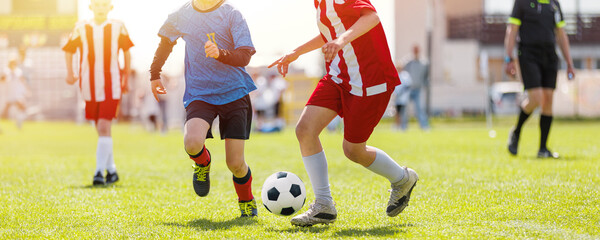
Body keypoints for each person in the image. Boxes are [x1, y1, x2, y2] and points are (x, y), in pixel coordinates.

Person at [269, 0, 419, 227]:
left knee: (353, 150)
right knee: (305, 130)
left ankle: (402, 179)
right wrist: (296, 52)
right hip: (339, 76)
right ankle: (324, 205)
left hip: (371, 79)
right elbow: (331, 32)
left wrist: (340, 41)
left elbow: (371, 17)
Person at [149, 0, 259, 217]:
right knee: (192, 143)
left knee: (235, 164)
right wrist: (154, 74)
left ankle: (246, 199)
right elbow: (165, 43)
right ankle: (202, 163)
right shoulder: (182, 14)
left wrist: (220, 53)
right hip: (200, 94)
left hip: (234, 93)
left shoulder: (232, 14)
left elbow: (245, 54)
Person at [62, 0, 134, 185]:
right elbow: (69, 50)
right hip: (89, 84)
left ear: (110, 7)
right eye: (97, 4)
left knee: (103, 126)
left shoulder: (118, 26)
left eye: (104, 4)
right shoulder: (81, 27)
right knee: (100, 128)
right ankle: (112, 170)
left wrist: (126, 75)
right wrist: (70, 72)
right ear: (91, 7)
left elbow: (126, 51)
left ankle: (98, 173)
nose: (100, 7)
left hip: (112, 84)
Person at [505, 0, 575, 159]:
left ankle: (543, 149)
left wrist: (570, 63)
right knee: (536, 98)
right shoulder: (522, 2)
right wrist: (508, 58)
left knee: (548, 100)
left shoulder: (554, 4)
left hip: (550, 55)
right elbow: (512, 29)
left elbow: (561, 34)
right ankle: (516, 131)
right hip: (528, 55)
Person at [402, 45, 430, 130]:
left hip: (418, 89)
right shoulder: (408, 62)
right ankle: (403, 127)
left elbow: (426, 76)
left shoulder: (424, 63)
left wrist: (425, 85)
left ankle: (424, 126)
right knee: (405, 109)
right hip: (408, 89)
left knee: (419, 109)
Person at [1, 59, 30, 130]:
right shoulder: (6, 71)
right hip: (8, 94)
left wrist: (27, 90)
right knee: (4, 113)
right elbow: (2, 79)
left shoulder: (18, 71)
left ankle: (19, 120)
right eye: (11, 63)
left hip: (17, 94)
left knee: (23, 107)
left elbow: (23, 81)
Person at [393, 65, 412, 130]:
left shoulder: (405, 75)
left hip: (403, 98)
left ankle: (404, 127)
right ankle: (397, 126)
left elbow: (407, 85)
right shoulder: (395, 75)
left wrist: (401, 92)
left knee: (403, 113)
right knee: (397, 112)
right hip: (397, 98)